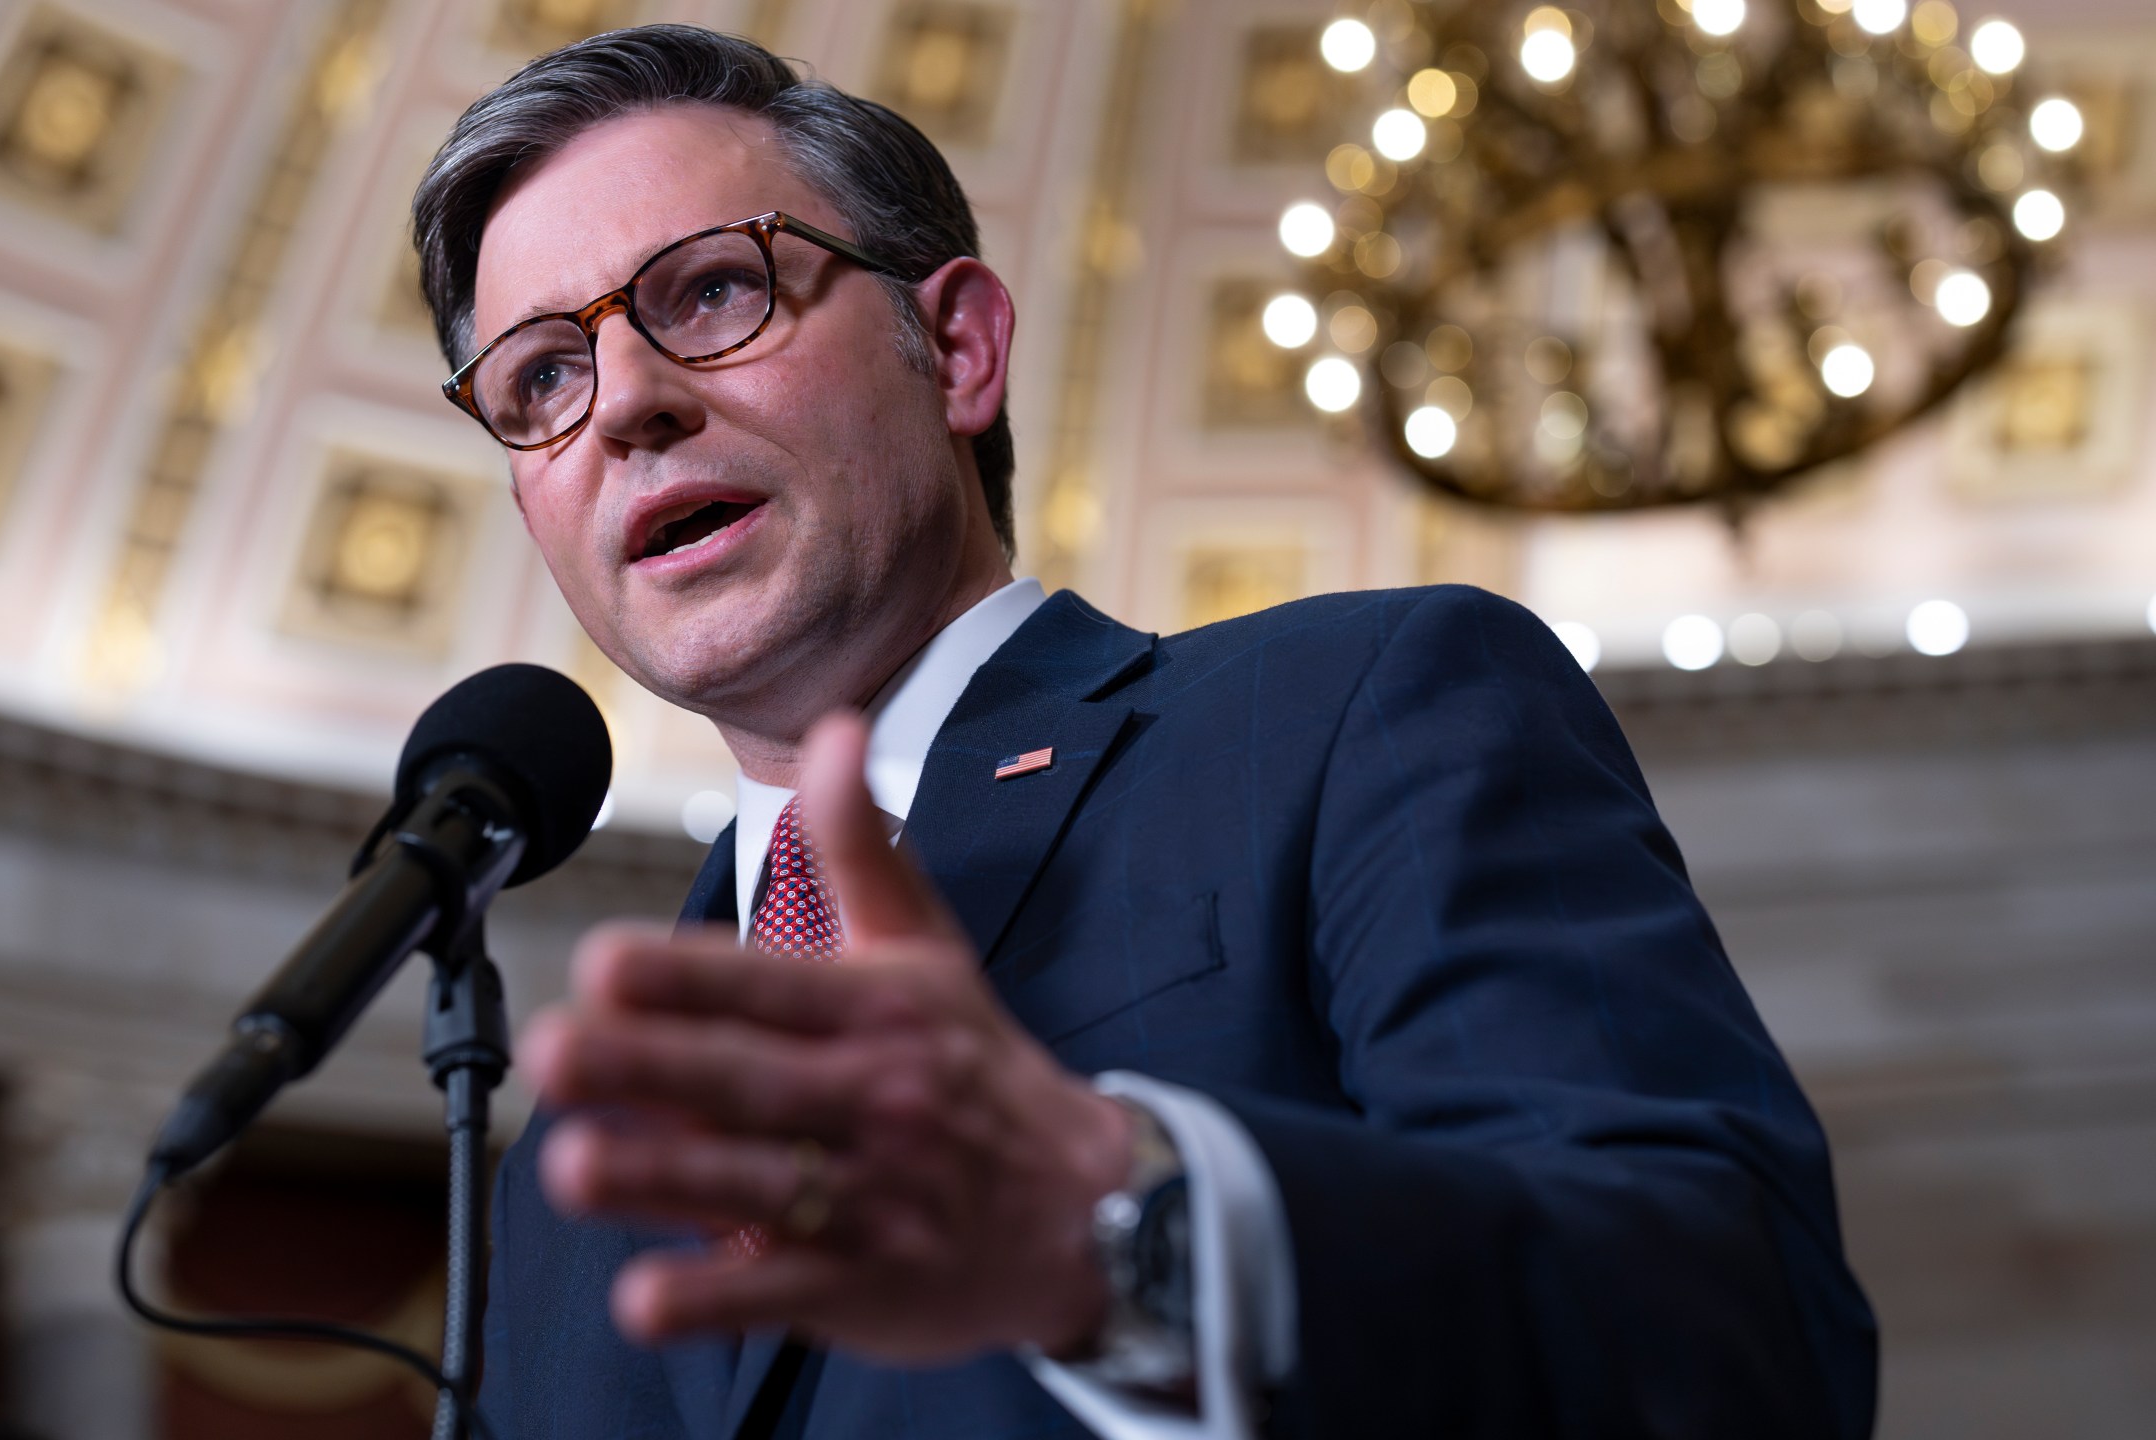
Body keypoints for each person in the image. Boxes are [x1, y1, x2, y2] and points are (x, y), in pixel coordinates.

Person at [410, 24, 1876, 1440]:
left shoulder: (1361, 711)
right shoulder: (565, 1176)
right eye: (541, 376)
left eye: (714, 291)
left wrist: (1135, 1231)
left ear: (960, 349)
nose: (627, 406)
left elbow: (1730, 1327)